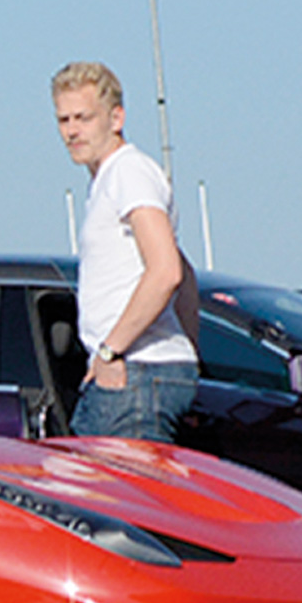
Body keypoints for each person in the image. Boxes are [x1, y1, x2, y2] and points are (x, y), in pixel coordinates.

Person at [52, 61, 197, 439]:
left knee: (111, 497)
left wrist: (110, 352)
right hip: (146, 371)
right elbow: (186, 275)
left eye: (83, 118)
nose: (72, 131)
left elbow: (167, 272)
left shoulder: (127, 172)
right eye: (64, 120)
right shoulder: (109, 181)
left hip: (135, 374)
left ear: (116, 118)